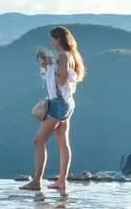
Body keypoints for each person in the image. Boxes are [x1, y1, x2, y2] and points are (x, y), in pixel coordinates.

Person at [20, 26, 86, 197]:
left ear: (58, 39)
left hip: (57, 103)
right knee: (63, 142)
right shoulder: (72, 56)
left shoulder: (63, 56)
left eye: (52, 39)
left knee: (38, 141)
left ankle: (36, 181)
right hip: (67, 102)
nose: (50, 42)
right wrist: (49, 64)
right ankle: (62, 180)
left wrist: (51, 66)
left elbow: (61, 79)